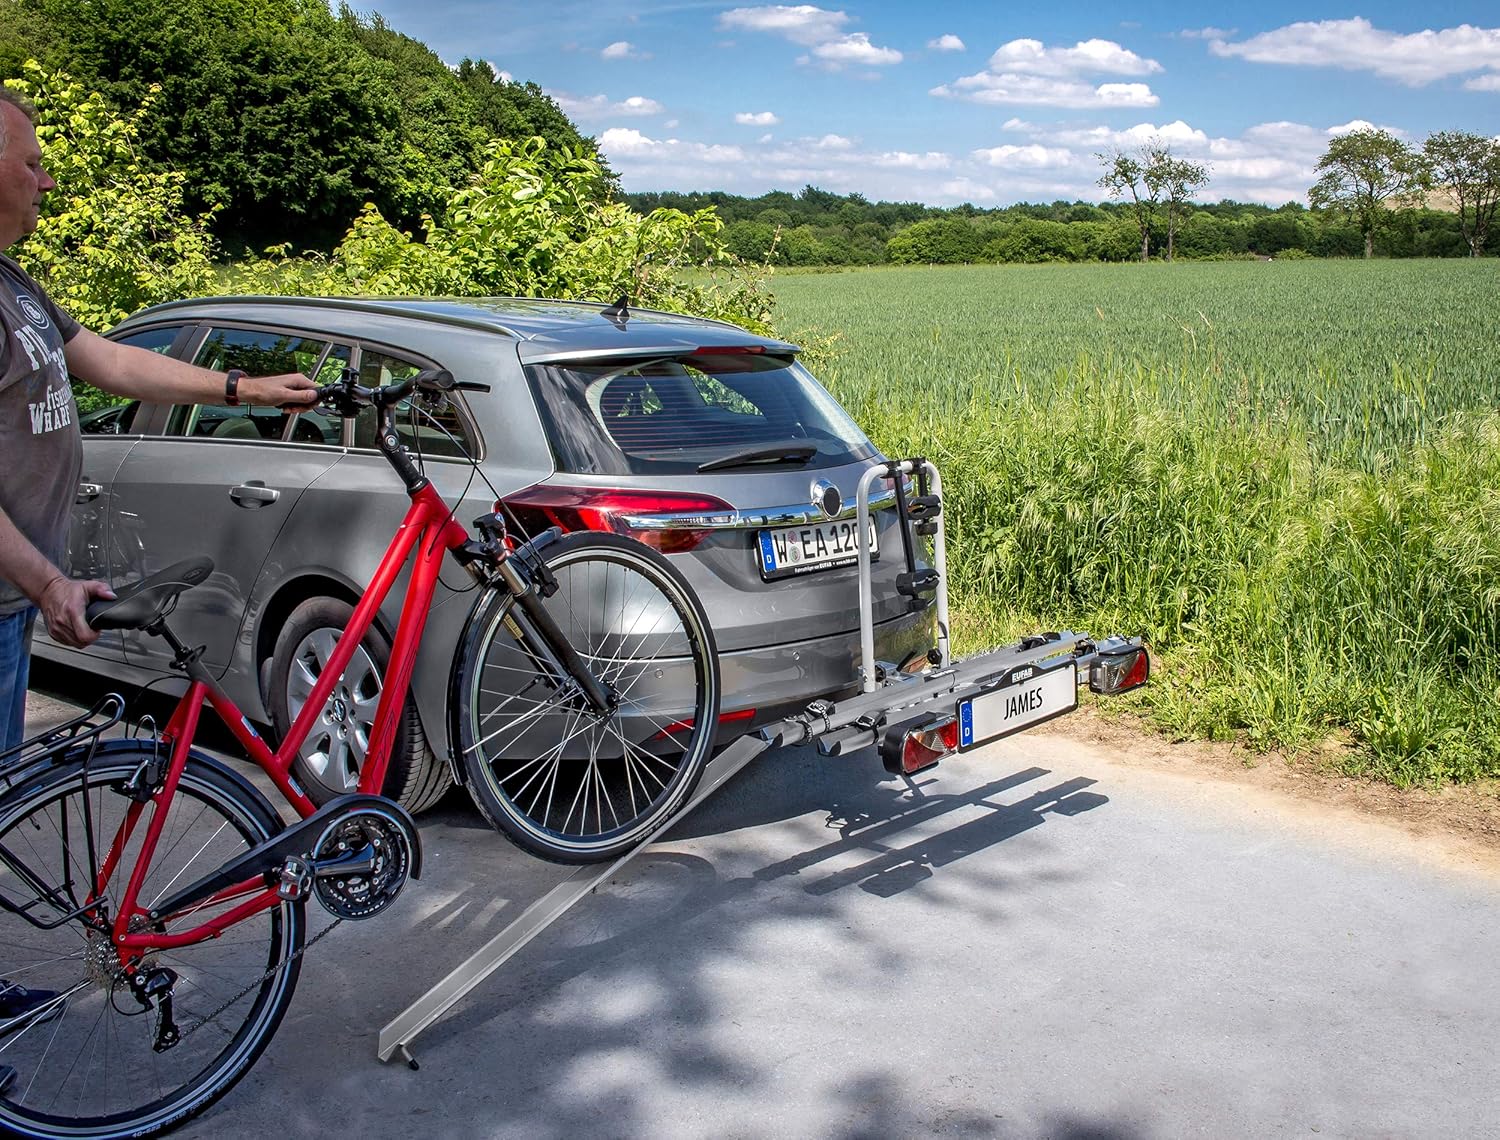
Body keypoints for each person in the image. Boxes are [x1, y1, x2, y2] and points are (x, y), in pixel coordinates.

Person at [0, 85, 318, 755]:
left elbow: (115, 364)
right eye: (30, 164)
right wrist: (49, 583)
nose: (47, 180)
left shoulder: (13, 284)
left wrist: (246, 387)